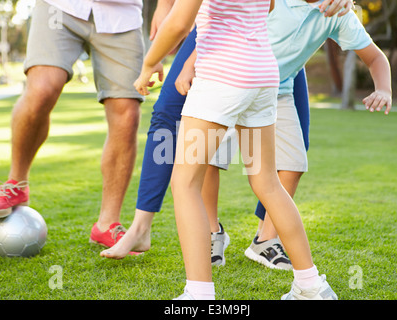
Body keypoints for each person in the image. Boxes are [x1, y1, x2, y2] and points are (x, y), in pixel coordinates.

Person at [99, 0, 354, 266]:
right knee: (262, 177)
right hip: (258, 61)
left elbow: (179, 24)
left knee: (187, 181)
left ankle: (236, 262)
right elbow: (267, 7)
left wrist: (149, 63)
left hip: (241, 54)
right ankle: (310, 282)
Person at [0, 0, 161, 254]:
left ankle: (107, 223)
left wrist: (165, 7)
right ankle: (16, 184)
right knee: (42, 89)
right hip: (60, 6)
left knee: (127, 114)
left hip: (122, 16)